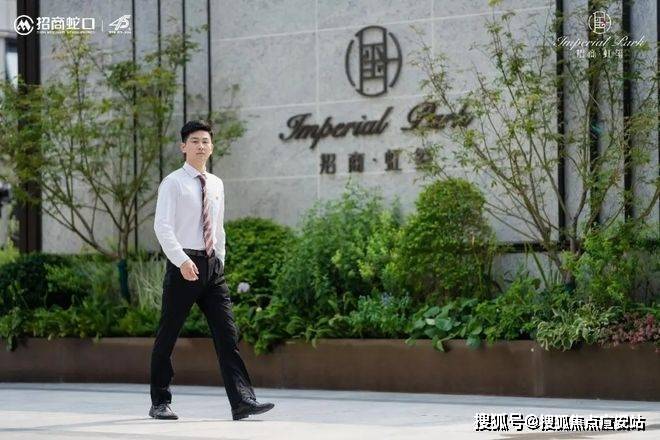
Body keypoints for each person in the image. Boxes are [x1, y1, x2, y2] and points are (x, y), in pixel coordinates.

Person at [149, 120, 274, 421]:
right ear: (183, 146)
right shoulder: (173, 183)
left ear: (212, 147)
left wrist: (220, 259)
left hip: (212, 268)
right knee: (168, 335)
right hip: (183, 265)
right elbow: (162, 226)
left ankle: (242, 401)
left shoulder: (216, 184)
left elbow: (218, 227)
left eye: (205, 141)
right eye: (194, 141)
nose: (200, 146)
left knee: (227, 336)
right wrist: (181, 260)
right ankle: (160, 402)